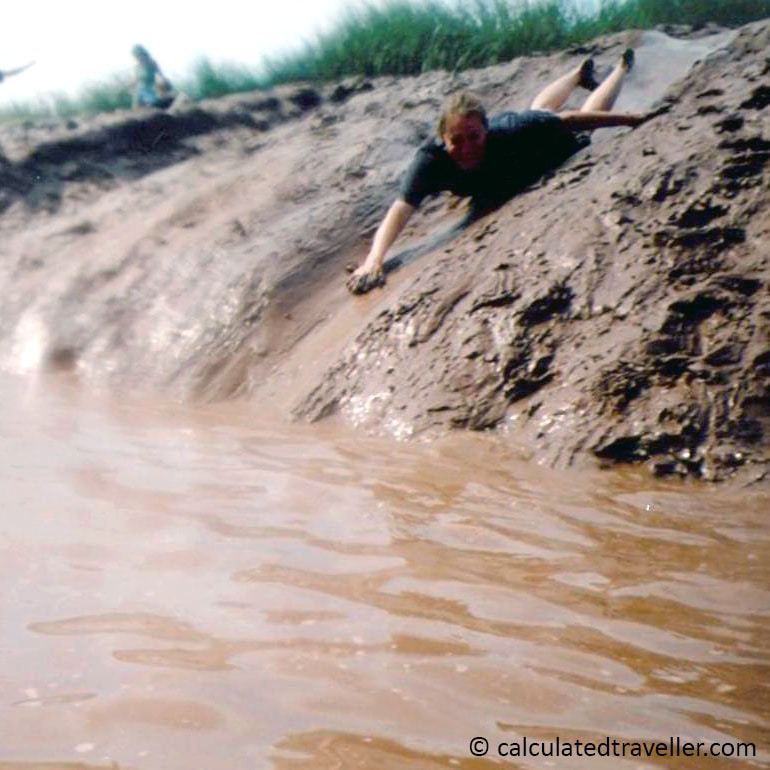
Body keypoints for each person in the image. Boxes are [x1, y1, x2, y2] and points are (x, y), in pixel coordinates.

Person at [347, 49, 644, 295]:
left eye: (474, 137)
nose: (466, 147)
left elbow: (570, 120)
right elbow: (400, 210)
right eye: (456, 141)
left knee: (555, 121)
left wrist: (631, 119)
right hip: (510, 154)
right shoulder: (429, 161)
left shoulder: (508, 131)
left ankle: (620, 68)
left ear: (486, 130)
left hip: (536, 155)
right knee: (539, 113)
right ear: (442, 138)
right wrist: (374, 260)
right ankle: (578, 75)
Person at [131, 44, 175, 109]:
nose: (137, 58)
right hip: (140, 91)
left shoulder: (152, 63)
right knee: (136, 110)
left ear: (143, 54)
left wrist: (165, 84)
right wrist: (130, 85)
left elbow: (161, 75)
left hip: (150, 90)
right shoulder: (137, 67)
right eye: (135, 56)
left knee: (154, 106)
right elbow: (136, 80)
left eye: (138, 55)